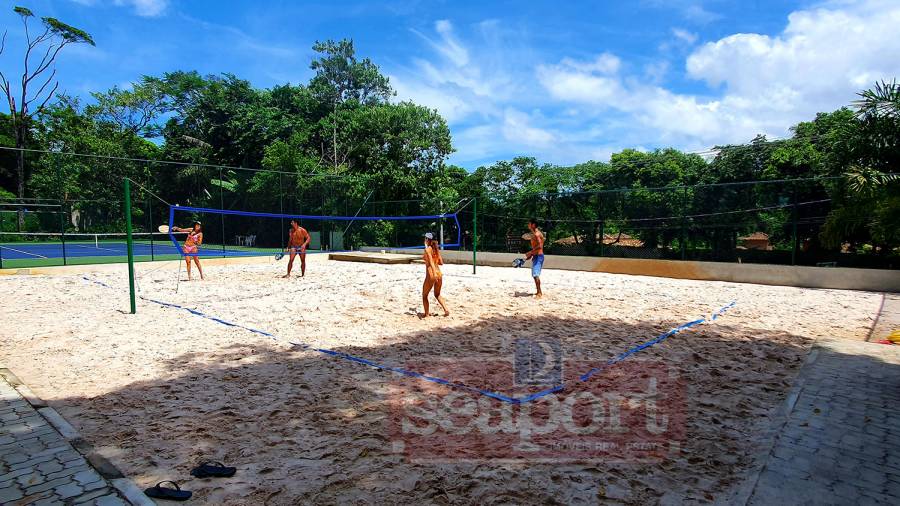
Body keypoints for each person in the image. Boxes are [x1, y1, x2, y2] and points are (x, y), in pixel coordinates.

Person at [421, 232, 450, 317]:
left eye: (425, 238)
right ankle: (446, 310)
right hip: (439, 273)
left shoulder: (427, 250)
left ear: (427, 239)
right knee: (437, 294)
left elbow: (430, 261)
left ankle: (426, 314)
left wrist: (434, 273)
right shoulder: (436, 250)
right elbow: (441, 263)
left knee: (424, 295)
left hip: (432, 274)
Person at [525, 218, 544, 298]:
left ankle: (539, 293)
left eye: (529, 223)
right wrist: (532, 254)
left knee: (535, 274)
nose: (528, 225)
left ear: (533, 225)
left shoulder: (537, 234)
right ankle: (538, 292)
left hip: (538, 256)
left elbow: (540, 246)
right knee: (534, 275)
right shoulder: (535, 234)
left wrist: (530, 252)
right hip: (536, 256)